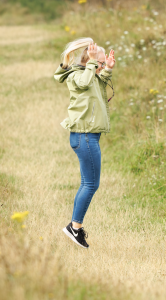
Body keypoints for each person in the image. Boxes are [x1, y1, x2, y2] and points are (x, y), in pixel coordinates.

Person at [54, 38, 115, 248]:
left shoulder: (91, 76)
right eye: (98, 60)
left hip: (89, 136)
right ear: (87, 60)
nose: (99, 64)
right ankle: (75, 227)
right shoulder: (76, 76)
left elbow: (97, 84)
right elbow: (84, 83)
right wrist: (92, 64)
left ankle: (75, 227)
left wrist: (107, 69)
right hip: (84, 136)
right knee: (91, 184)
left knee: (88, 183)